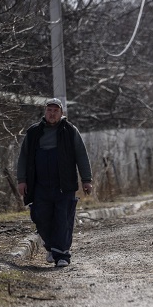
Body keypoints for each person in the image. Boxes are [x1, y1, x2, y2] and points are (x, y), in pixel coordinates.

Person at [17, 98, 93, 268]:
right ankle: (52, 247)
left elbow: (81, 155)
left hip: (64, 184)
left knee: (63, 219)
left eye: (55, 111)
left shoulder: (70, 131)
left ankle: (62, 255)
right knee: (41, 217)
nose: (52, 114)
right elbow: (23, 157)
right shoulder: (34, 132)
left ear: (61, 113)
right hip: (39, 184)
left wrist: (86, 180)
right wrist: (22, 180)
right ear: (45, 112)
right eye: (49, 110)